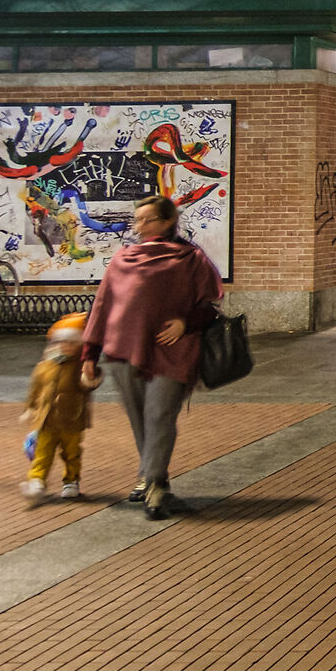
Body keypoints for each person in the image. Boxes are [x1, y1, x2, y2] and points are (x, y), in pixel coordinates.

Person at [76, 195, 223, 520]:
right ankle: (151, 475)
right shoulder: (123, 259)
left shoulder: (191, 259)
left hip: (174, 351)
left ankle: (156, 485)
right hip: (123, 350)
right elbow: (102, 306)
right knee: (141, 418)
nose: (140, 226)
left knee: (159, 416)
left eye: (148, 220)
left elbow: (210, 306)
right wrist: (90, 352)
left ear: (168, 221)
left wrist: (186, 323)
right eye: (138, 220)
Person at [20, 312, 94, 503]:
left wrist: (90, 378)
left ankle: (71, 480)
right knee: (42, 453)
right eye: (62, 342)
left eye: (71, 342)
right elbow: (36, 388)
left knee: (72, 453)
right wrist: (30, 408)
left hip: (72, 420)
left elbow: (88, 386)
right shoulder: (46, 365)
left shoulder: (80, 366)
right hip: (46, 420)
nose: (66, 346)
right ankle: (36, 480)